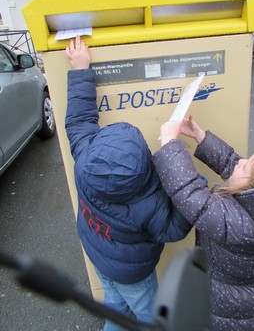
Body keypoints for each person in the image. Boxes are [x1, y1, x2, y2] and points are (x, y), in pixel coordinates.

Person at [64, 36, 192, 331]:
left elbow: (79, 119)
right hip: (132, 272)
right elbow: (176, 227)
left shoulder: (84, 161)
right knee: (147, 314)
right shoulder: (150, 203)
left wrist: (81, 69)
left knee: (114, 303)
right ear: (146, 167)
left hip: (97, 253)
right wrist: (178, 163)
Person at [152, 116, 254, 331]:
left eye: (246, 166)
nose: (240, 162)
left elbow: (189, 193)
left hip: (228, 311)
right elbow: (232, 164)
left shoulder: (239, 227)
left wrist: (169, 142)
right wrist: (199, 135)